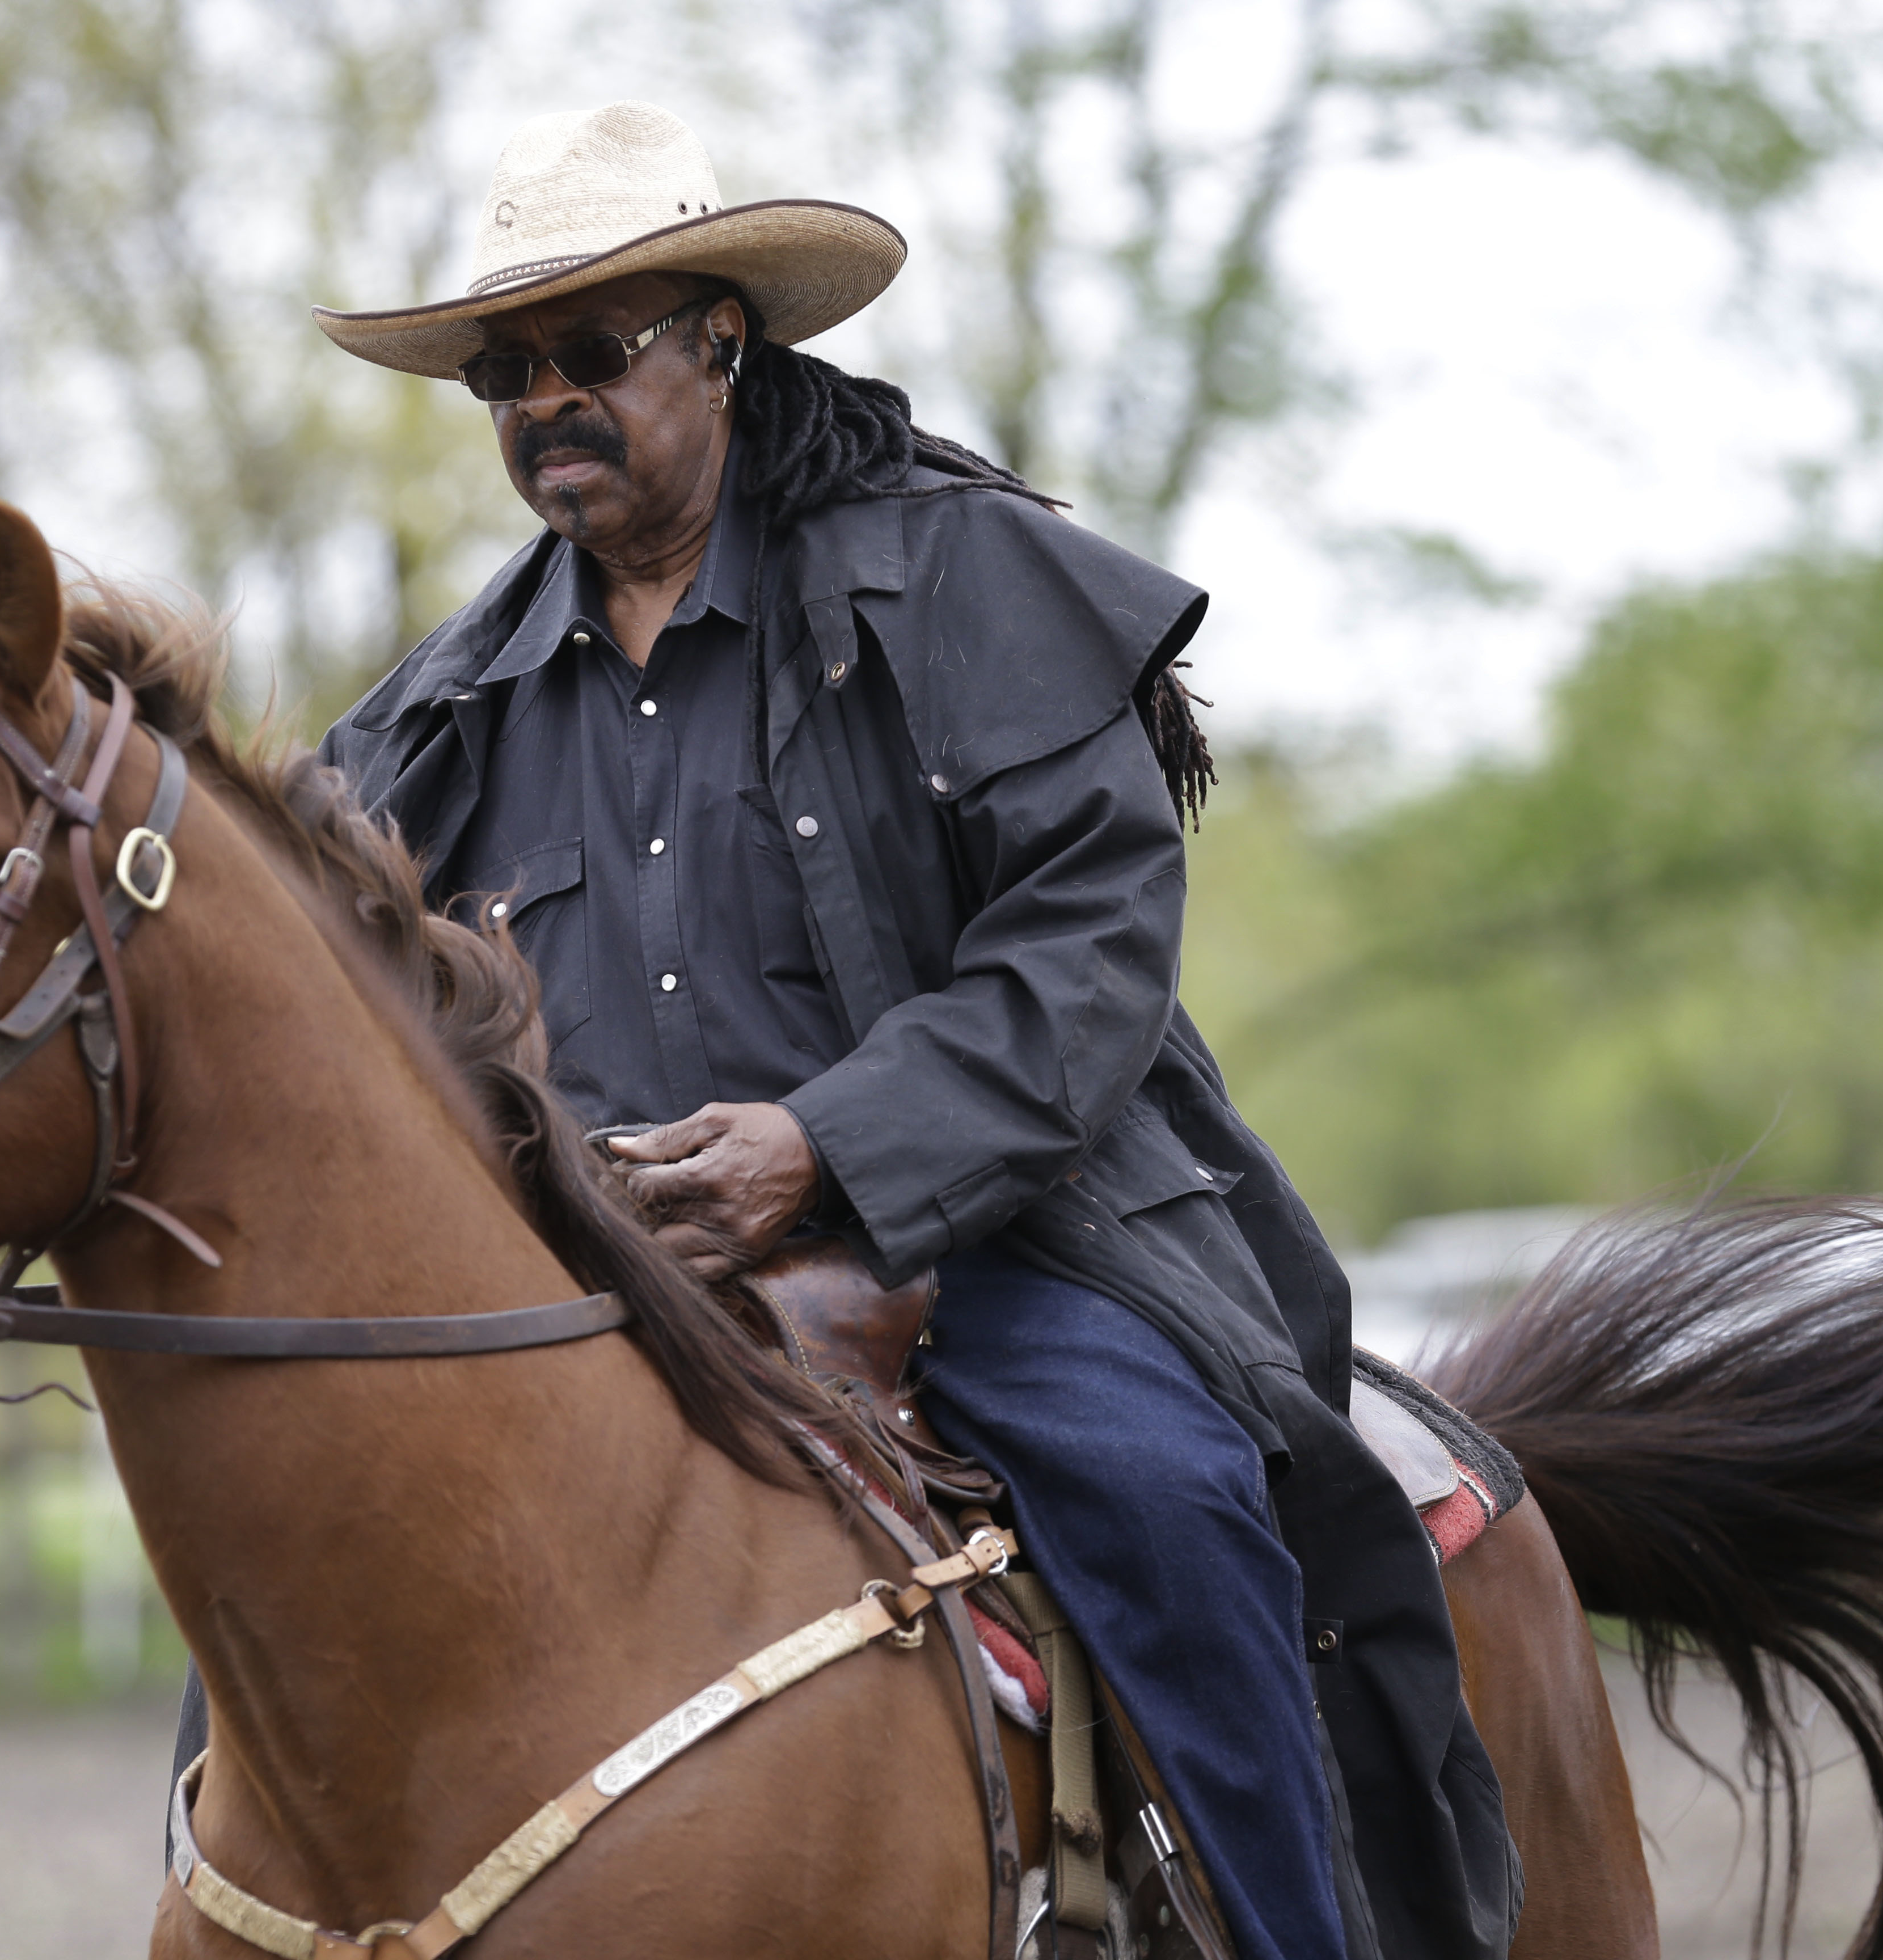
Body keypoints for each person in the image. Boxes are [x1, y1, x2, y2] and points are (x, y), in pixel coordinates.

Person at [297, 102, 1517, 1960]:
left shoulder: (956, 574)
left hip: (1000, 1235)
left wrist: (828, 1148)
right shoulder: (430, 722)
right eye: (509, 370)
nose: (548, 399)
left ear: (723, 342)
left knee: (1178, 1508)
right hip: (598, 1286)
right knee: (304, 1580)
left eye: (595, 352)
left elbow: (1094, 939)